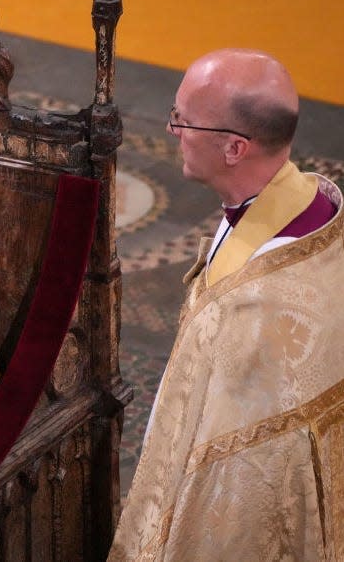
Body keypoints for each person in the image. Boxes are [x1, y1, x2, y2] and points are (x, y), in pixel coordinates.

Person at [109, 49, 344, 560]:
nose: (172, 131)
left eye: (183, 120)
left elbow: (235, 481)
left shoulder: (255, 309)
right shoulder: (299, 200)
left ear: (235, 148)